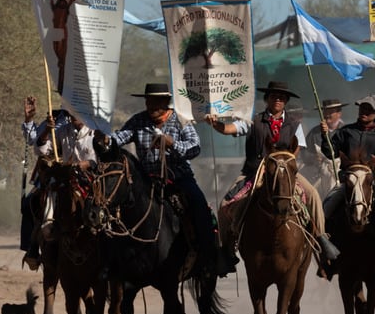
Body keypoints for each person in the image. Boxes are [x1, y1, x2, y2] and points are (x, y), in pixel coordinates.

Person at [205, 80, 338, 273]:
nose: (278, 99)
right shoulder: (252, 121)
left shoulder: (294, 124)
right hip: (255, 171)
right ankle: (226, 250)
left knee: (314, 197)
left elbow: (296, 150)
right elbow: (228, 129)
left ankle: (322, 241)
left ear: (285, 102)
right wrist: (215, 123)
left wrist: (284, 167)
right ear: (267, 99)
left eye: (282, 97)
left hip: (285, 172)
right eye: (274, 96)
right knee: (225, 205)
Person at [107, 83, 236, 277]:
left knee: (199, 206)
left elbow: (195, 147)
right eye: (149, 100)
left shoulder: (181, 120)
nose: (152, 105)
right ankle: (113, 261)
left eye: (157, 101)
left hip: (179, 178)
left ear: (166, 102)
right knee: (112, 202)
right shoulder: (138, 121)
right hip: (146, 180)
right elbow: (119, 138)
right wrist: (105, 139)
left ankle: (210, 257)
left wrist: (172, 143)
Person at [18, 97, 97, 270]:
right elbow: (36, 143)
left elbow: (101, 155)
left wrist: (86, 164)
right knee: (32, 202)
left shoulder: (96, 127)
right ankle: (33, 246)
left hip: (86, 177)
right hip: (58, 175)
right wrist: (38, 124)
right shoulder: (55, 117)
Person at [320, 96, 375, 250]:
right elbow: (330, 152)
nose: (363, 112)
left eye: (368, 109)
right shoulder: (346, 131)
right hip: (349, 182)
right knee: (327, 205)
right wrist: (325, 136)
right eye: (362, 108)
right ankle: (325, 246)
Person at [302, 99, 345, 192]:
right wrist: (313, 157)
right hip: (318, 176)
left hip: (340, 175)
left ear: (339, 113)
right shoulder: (314, 133)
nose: (327, 114)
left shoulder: (346, 132)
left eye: (331, 112)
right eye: (325, 111)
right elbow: (304, 154)